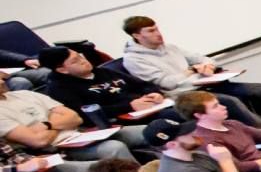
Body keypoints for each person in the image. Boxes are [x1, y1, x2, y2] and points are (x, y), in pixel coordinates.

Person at [121, 18, 261, 130]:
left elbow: (203, 58)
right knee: (231, 101)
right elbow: (167, 83)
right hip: (182, 95)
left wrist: (207, 66)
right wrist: (193, 71)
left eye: (157, 28)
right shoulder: (134, 59)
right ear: (136, 36)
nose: (158, 33)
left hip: (206, 83)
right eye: (150, 31)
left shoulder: (171, 47)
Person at [0, 77, 145, 170]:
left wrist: (47, 125)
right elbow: (39, 141)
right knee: (114, 147)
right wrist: (57, 120)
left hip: (82, 133)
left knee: (147, 130)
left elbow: (75, 118)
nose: (2, 80)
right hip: (59, 148)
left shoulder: (25, 94)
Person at [44, 45, 174, 121]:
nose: (83, 61)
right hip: (122, 118)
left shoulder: (103, 72)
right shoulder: (60, 88)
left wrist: (154, 93)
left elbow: (143, 84)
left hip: (149, 106)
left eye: (80, 56)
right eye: (75, 61)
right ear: (62, 69)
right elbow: (85, 114)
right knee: (177, 115)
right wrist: (129, 106)